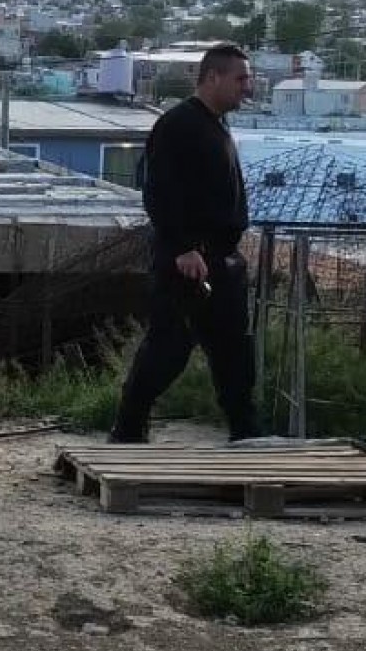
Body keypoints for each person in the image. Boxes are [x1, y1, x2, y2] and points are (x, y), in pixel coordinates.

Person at [111, 42, 262, 445]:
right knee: (169, 348)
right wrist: (183, 248)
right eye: (240, 79)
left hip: (221, 261)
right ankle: (128, 428)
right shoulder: (179, 124)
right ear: (213, 77)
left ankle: (245, 433)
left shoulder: (215, 125)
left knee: (233, 353)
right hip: (188, 261)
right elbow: (159, 192)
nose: (247, 87)